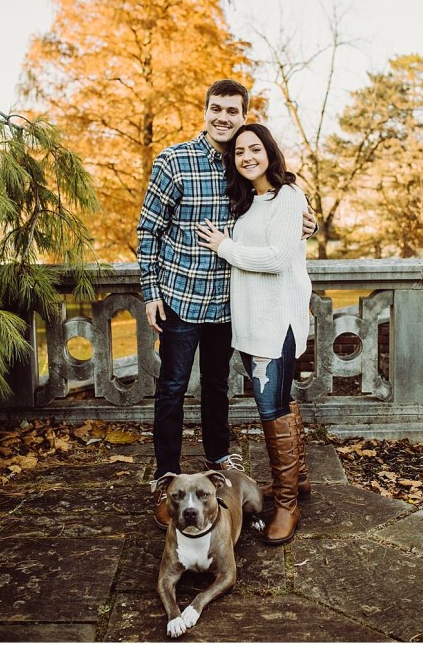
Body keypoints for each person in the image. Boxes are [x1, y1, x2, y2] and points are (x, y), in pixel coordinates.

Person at [136, 79, 315, 530]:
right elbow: (147, 232)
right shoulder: (174, 161)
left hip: (229, 306)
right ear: (206, 109)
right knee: (172, 389)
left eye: (232, 111)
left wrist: (303, 223)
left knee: (218, 387)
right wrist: (151, 293)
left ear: (243, 114)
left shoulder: (242, 167)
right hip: (179, 299)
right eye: (216, 108)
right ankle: (165, 478)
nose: (223, 117)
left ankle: (219, 463)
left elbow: (273, 213)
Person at [196, 123, 311, 544]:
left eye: (254, 149)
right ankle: (296, 480)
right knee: (282, 401)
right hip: (249, 323)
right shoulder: (247, 202)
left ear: (270, 152)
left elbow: (279, 258)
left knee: (272, 411)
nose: (246, 156)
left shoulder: (288, 196)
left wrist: (224, 247)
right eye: (239, 151)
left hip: (275, 322)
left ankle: (286, 504)